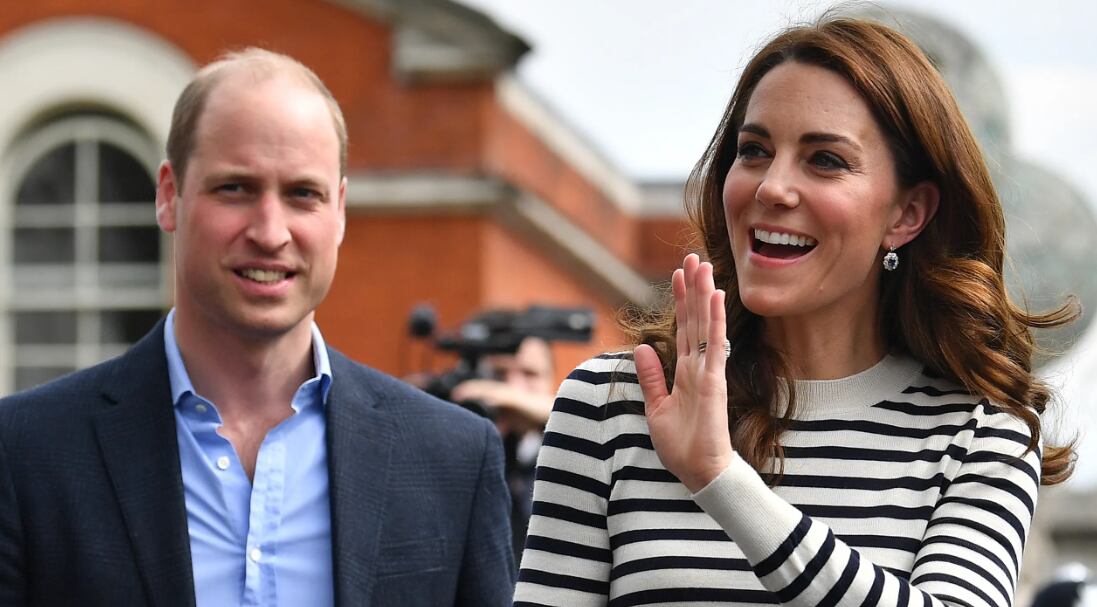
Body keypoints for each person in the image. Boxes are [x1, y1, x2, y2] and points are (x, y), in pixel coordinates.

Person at [514, 14, 1076, 607]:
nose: (771, 187)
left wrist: (721, 480)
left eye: (825, 160)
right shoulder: (612, 405)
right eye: (754, 151)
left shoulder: (982, 434)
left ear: (907, 214)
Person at [0, 48, 514, 606]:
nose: (271, 232)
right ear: (169, 196)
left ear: (338, 210)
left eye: (302, 194)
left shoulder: (452, 458)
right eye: (236, 188)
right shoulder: (26, 452)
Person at [451, 336, 556, 560]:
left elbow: (570, 411)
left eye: (530, 374)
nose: (514, 385)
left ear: (552, 379)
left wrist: (504, 397)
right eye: (502, 374)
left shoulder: (564, 437)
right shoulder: (480, 441)